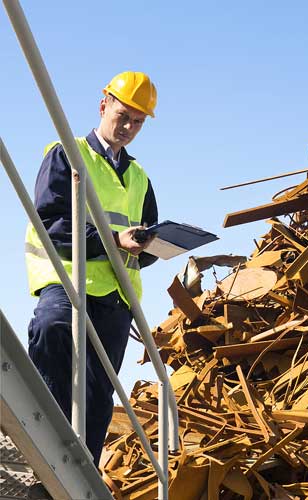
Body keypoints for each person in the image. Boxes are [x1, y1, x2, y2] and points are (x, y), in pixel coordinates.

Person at [25, 71, 158, 469]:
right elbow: (51, 222)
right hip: (67, 283)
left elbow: (144, 238)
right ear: (104, 105)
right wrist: (115, 241)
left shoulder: (140, 178)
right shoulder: (68, 154)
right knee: (51, 330)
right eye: (124, 115)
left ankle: (79, 474)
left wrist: (153, 246)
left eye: (138, 122)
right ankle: (37, 449)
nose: (129, 127)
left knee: (99, 396)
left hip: (115, 299)